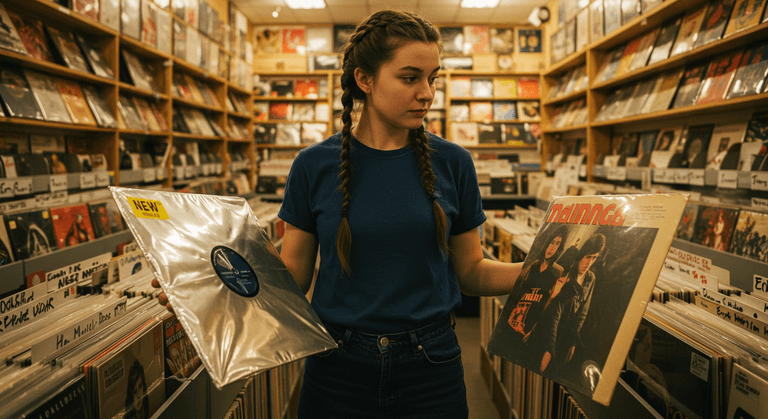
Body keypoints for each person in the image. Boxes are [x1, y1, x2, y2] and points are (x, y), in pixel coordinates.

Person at [153, 9, 523, 419]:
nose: (427, 93)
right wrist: (203, 292)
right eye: (409, 77)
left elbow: (472, 273)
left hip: (431, 366)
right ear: (364, 79)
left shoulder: (454, 162)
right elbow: (292, 276)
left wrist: (542, 269)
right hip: (338, 368)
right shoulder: (314, 166)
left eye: (432, 78)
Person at [536, 233, 606, 373]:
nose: (589, 263)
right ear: (582, 255)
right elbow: (555, 309)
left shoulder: (590, 278)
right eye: (588, 257)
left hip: (567, 335)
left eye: (594, 258)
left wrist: (572, 342)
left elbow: (582, 313)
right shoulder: (566, 272)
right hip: (549, 330)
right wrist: (550, 347)